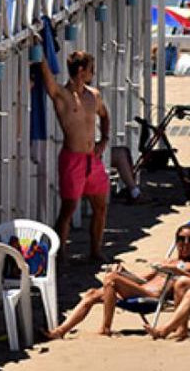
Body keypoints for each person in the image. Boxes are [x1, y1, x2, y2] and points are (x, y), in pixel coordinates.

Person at [43, 223, 190, 339]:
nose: (185, 244)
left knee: (111, 279)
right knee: (93, 293)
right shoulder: (166, 260)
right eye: (181, 239)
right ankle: (60, 331)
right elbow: (142, 278)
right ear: (176, 241)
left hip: (153, 296)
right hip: (140, 289)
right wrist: (125, 273)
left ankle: (105, 328)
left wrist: (178, 272)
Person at [38, 50, 111, 262]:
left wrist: (104, 139)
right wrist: (42, 53)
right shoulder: (63, 95)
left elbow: (105, 116)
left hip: (92, 159)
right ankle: (60, 256)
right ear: (81, 71)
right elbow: (49, 82)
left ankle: (95, 251)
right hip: (73, 159)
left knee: (100, 205)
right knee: (68, 208)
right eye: (91, 69)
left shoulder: (93, 95)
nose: (93, 73)